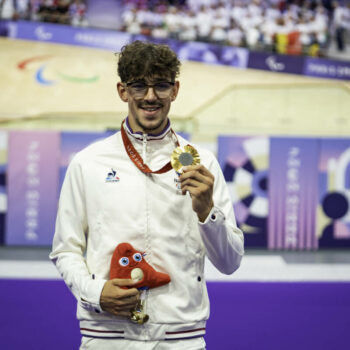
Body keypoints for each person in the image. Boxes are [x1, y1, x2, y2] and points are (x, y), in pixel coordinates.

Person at [50, 40, 244, 350]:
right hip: (107, 335)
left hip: (181, 337)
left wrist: (208, 211)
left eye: (161, 86)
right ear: (122, 91)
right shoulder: (88, 162)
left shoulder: (202, 163)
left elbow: (231, 261)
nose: (150, 96)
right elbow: (65, 249)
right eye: (139, 85)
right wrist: (95, 293)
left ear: (175, 90)